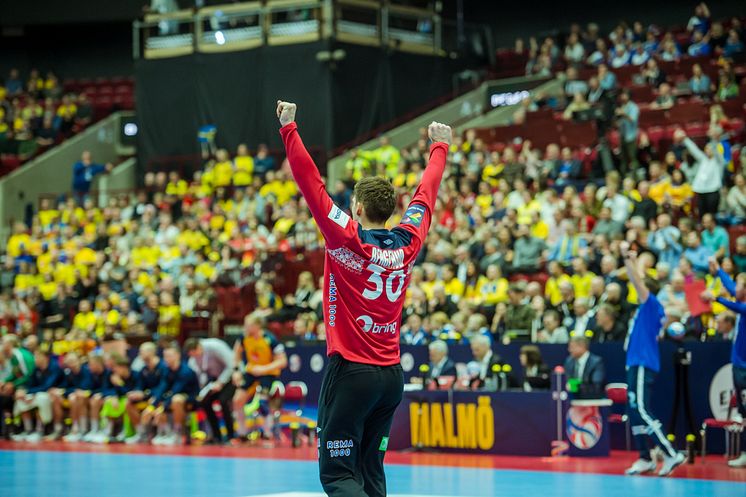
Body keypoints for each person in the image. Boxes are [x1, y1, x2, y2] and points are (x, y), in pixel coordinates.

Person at [277, 100, 450, 496]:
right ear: (391, 211)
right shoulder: (407, 242)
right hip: (390, 376)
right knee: (371, 473)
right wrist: (439, 148)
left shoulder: (346, 237)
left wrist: (289, 128)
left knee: (338, 475)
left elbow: (311, 183)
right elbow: (425, 197)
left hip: (352, 371)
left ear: (356, 208)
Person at [620, 241, 685, 476]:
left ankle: (670, 453)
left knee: (643, 410)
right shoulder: (646, 309)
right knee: (634, 411)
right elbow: (639, 279)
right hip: (636, 362)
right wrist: (635, 259)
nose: (634, 290)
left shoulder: (651, 304)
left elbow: (637, 280)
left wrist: (627, 258)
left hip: (642, 362)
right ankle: (645, 457)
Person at [702, 258, 746, 467]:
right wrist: (718, 271)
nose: (734, 288)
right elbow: (731, 288)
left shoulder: (744, 306)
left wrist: (716, 298)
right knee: (744, 412)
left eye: (738, 285)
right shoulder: (740, 296)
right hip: (739, 365)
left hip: (744, 367)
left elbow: (737, 306)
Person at [231, 313, 288, 443]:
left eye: (248, 325)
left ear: (257, 326)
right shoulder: (243, 338)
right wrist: (236, 371)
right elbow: (236, 354)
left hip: (268, 373)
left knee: (262, 403)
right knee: (237, 400)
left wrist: (264, 369)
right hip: (251, 372)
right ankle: (242, 434)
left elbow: (283, 361)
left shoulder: (270, 339)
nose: (245, 327)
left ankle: (267, 434)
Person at [137, 344, 198, 445]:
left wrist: (162, 408)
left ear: (177, 356)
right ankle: (163, 433)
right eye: (165, 356)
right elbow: (162, 388)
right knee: (157, 400)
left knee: (175, 400)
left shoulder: (185, 371)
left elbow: (176, 391)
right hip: (173, 396)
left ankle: (177, 434)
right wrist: (152, 407)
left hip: (191, 398)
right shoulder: (166, 370)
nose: (166, 359)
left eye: (169, 356)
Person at [184, 337, 236, 444]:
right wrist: (202, 392)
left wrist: (221, 382)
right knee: (204, 402)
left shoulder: (215, 346)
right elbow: (199, 375)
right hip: (212, 381)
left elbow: (232, 364)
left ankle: (231, 435)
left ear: (199, 347)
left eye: (195, 353)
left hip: (230, 377)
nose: (195, 356)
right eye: (192, 355)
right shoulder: (193, 359)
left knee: (223, 401)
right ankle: (216, 436)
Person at [124, 342, 167, 444]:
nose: (139, 354)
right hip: (148, 396)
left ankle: (163, 433)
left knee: (157, 402)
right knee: (128, 403)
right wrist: (136, 393)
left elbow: (163, 387)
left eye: (141, 352)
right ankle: (141, 434)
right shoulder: (144, 369)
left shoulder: (163, 367)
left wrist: (147, 394)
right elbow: (140, 385)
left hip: (160, 396)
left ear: (151, 352)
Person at [675, 128, 724, 216]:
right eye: (706, 149)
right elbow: (694, 150)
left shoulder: (718, 161)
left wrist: (713, 138)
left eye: (710, 149)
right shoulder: (703, 160)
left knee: (712, 215)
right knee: (702, 214)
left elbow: (716, 150)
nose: (708, 151)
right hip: (701, 191)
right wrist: (685, 139)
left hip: (713, 191)